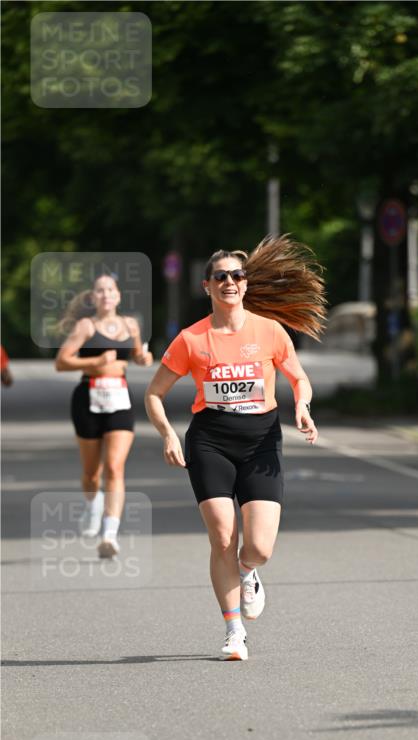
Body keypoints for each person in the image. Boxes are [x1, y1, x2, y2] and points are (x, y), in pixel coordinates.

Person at [145, 235, 325, 661]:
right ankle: (233, 631)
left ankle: (248, 573)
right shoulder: (191, 339)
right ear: (207, 285)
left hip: (261, 440)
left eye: (237, 275)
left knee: (259, 547)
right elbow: (154, 394)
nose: (230, 281)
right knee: (223, 535)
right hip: (210, 439)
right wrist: (169, 434)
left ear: (246, 284)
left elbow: (299, 378)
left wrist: (302, 406)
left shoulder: (269, 331)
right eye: (221, 276)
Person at [55, 273, 153, 557]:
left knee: (114, 467)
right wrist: (96, 360)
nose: (105, 294)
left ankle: (109, 534)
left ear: (118, 296)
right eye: (100, 290)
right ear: (93, 297)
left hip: (119, 397)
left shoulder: (130, 324)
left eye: (110, 289)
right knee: (91, 472)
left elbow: (137, 354)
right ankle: (92, 504)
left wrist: (143, 358)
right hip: (88, 396)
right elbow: (61, 362)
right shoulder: (86, 326)